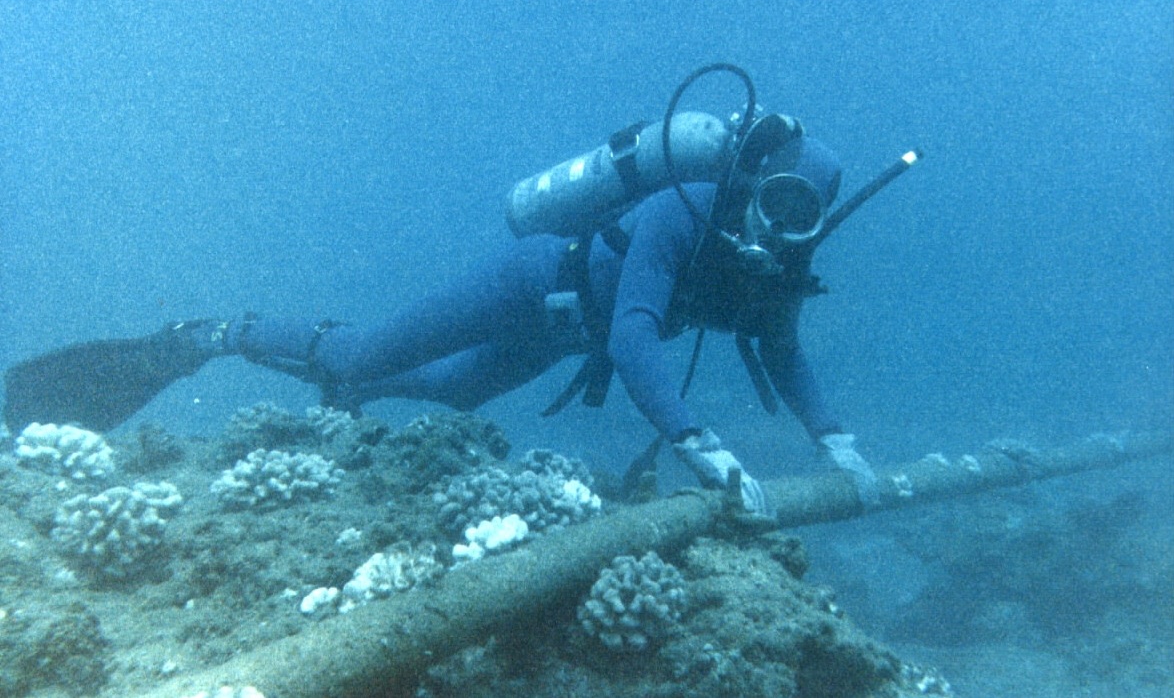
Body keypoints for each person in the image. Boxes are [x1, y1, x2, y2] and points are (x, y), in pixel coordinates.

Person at [3, 72, 884, 516]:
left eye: (802, 214)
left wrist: (837, 442)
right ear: (749, 183)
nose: (781, 226)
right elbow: (637, 336)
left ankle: (346, 391)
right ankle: (214, 334)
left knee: (458, 392)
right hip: (533, 284)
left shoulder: (775, 265)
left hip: (565, 332)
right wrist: (701, 442)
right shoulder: (677, 212)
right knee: (364, 350)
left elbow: (784, 352)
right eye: (777, 201)